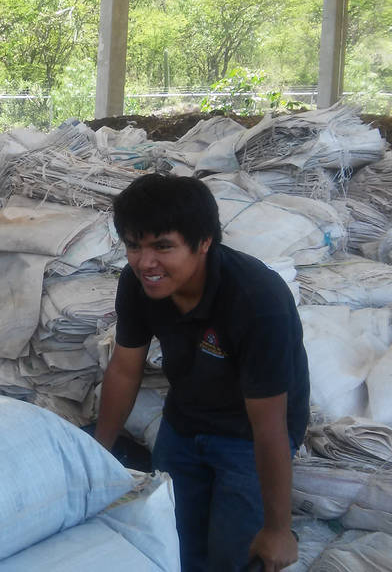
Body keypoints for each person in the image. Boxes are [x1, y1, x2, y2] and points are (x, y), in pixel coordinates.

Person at [93, 173, 309, 572]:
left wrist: (278, 528)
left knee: (233, 555)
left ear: (204, 242)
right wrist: (98, 454)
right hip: (185, 421)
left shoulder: (257, 300)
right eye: (134, 246)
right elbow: (124, 369)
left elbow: (270, 425)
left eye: (163, 247)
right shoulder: (138, 284)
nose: (145, 263)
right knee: (170, 541)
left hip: (248, 436)